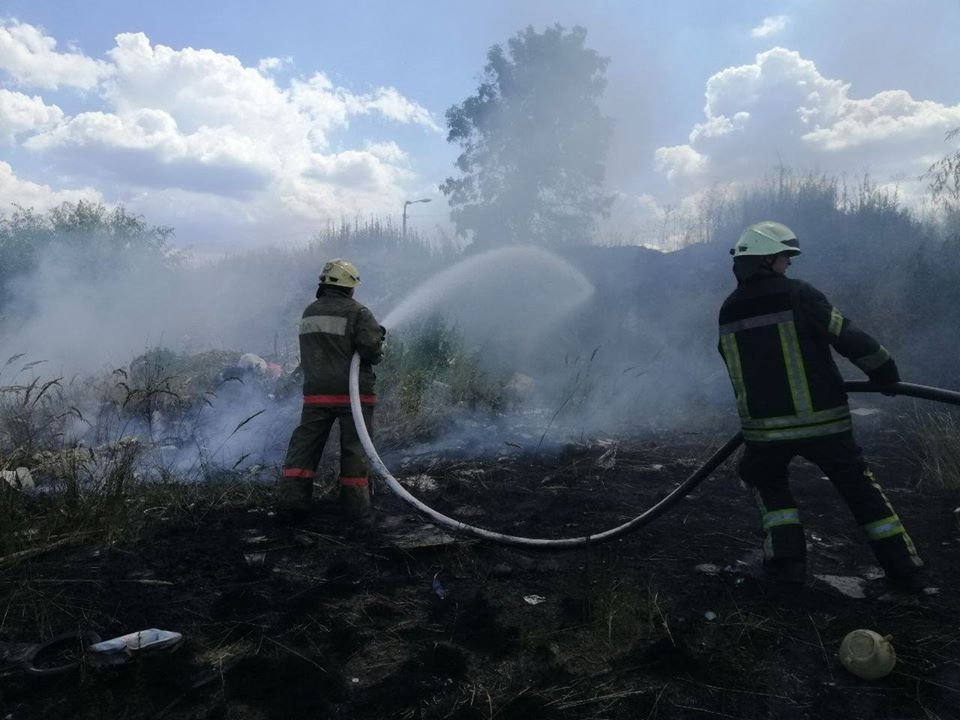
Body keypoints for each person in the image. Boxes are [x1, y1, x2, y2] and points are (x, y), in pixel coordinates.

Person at [718, 221, 925, 589]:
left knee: (767, 481)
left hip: (764, 432)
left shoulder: (729, 311)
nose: (788, 265)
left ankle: (785, 564)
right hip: (822, 423)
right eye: (784, 258)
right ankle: (904, 570)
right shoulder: (800, 295)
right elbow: (848, 337)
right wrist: (884, 373)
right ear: (767, 260)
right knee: (859, 490)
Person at [277, 258, 385, 519]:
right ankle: (355, 507)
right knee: (354, 449)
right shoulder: (359, 313)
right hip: (354, 395)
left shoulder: (309, 312)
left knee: (305, 445)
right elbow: (371, 353)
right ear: (350, 287)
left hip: (316, 393)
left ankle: (293, 499)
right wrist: (378, 337)